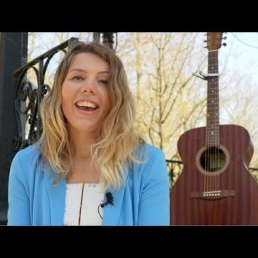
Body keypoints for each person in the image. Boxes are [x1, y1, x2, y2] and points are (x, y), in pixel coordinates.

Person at [7, 40, 170, 226]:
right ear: (60, 91)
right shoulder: (26, 165)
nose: (89, 87)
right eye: (78, 77)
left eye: (103, 81)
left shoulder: (148, 163)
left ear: (116, 98)